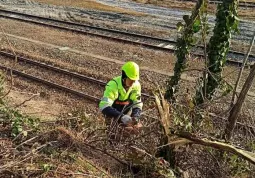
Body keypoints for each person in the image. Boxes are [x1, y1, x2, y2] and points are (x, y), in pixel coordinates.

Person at [99, 61, 143, 128]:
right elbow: (104, 106)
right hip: (112, 114)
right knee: (111, 133)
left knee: (128, 133)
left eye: (134, 80)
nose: (132, 83)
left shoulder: (136, 85)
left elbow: (137, 103)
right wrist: (121, 116)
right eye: (131, 80)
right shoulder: (113, 85)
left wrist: (136, 116)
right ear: (124, 77)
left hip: (127, 115)